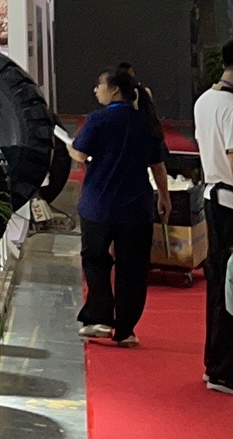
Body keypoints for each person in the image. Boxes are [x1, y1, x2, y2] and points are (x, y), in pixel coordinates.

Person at [71, 67, 171, 348]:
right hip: (136, 207)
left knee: (96, 260)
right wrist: (164, 196)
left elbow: (80, 153)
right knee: (134, 268)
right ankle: (126, 330)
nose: (96, 90)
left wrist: (70, 149)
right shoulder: (146, 122)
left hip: (99, 205)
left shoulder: (97, 120)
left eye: (100, 85)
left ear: (115, 89)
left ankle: (100, 317)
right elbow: (158, 165)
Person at [197, 43, 233, 393]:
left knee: (218, 285)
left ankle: (215, 363)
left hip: (213, 197)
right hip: (232, 204)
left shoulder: (205, 101)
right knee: (232, 288)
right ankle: (225, 370)